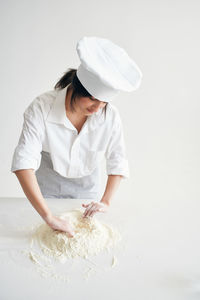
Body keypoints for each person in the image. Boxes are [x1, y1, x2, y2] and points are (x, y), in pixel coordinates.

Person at [11, 36, 142, 237]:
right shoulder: (41, 108)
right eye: (92, 98)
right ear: (76, 88)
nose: (98, 108)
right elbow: (23, 163)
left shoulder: (110, 116)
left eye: (104, 102)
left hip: (87, 195)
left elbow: (117, 159)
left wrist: (105, 202)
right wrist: (48, 216)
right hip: (46, 194)